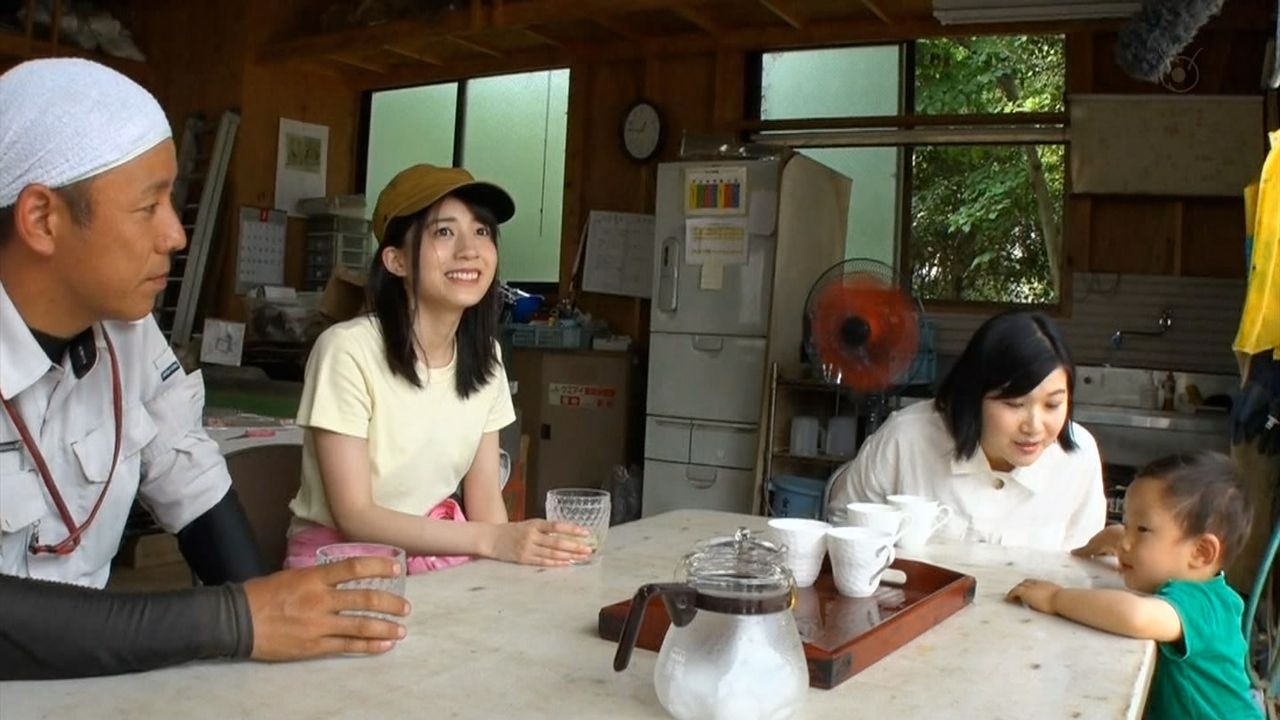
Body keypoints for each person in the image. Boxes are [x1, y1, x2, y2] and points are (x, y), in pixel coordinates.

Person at [0, 57, 407, 680]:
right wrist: (235, 619)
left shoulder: (127, 334)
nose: (176, 235)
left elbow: (188, 477)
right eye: (148, 206)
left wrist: (279, 622)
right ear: (41, 219)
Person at [283, 164, 591, 571]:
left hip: (435, 559)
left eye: (481, 231)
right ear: (396, 260)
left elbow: (485, 501)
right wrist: (494, 540)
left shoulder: (486, 358)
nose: (470, 250)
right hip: (341, 567)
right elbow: (355, 516)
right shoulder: (347, 350)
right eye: (444, 232)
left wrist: (515, 562)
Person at [1007, 452, 1261, 720]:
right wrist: (1117, 538)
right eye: (1127, 525)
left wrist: (1057, 598)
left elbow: (1136, 616)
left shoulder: (1201, 605)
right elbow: (1129, 542)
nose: (1126, 543)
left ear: (1201, 552)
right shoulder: (1206, 587)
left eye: (1142, 530)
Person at [826, 310, 1106, 551]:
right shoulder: (906, 439)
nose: (1034, 426)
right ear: (973, 395)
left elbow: (1081, 563)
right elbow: (844, 527)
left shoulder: (1079, 458)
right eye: (1014, 404)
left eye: (1053, 404)